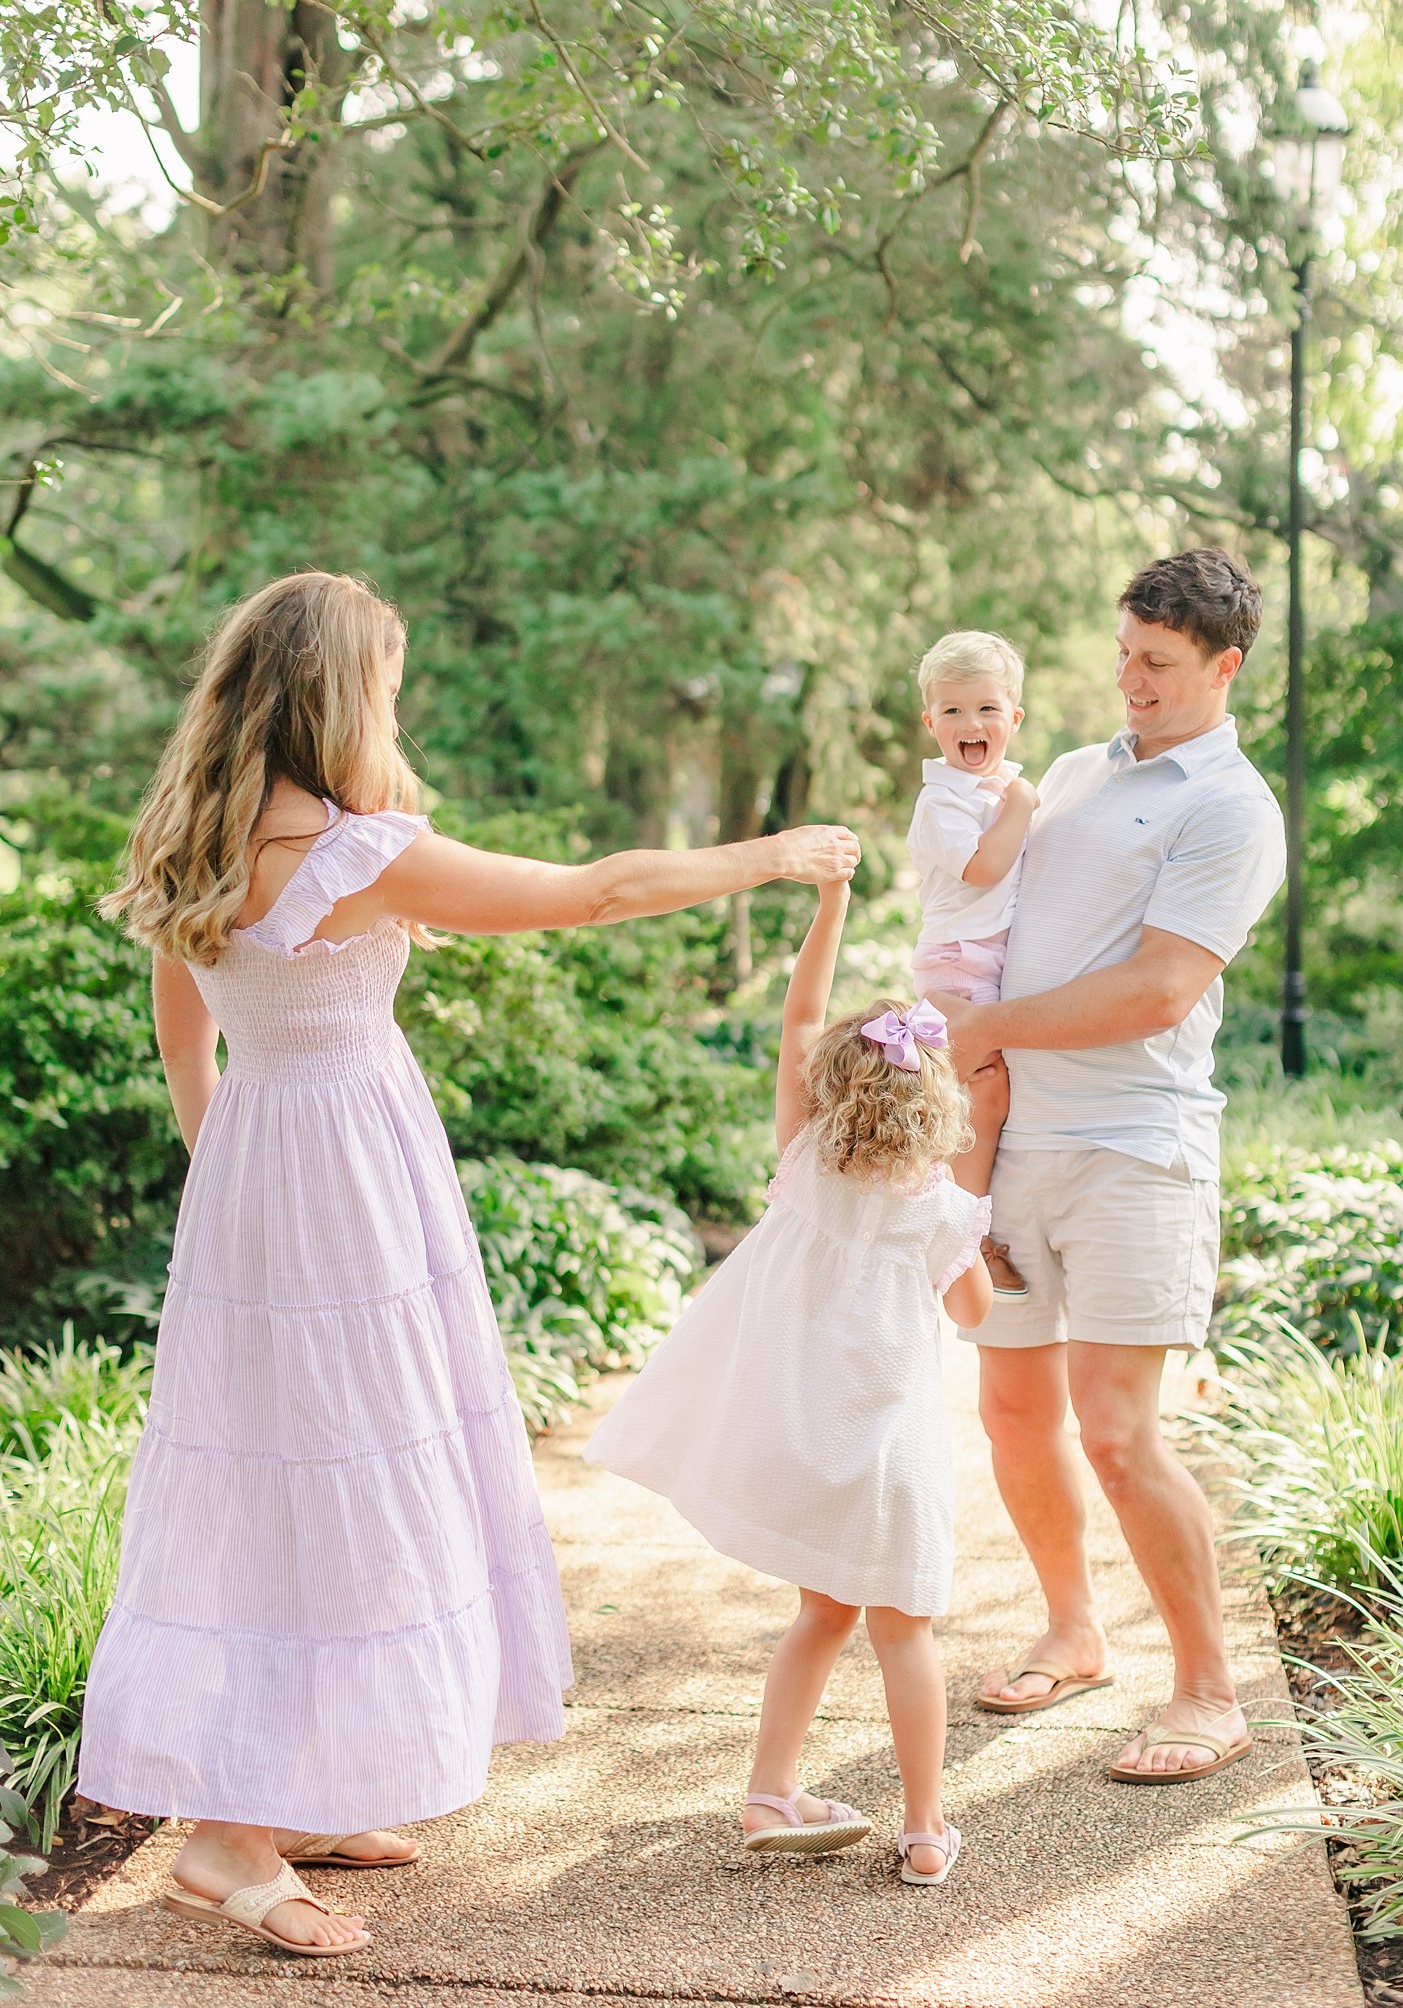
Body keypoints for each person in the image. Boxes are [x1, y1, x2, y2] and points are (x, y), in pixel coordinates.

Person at [76, 570, 860, 1959]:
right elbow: (597, 890)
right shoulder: (344, 852)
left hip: (266, 1168)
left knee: (289, 1466)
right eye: (384, 681)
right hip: (344, 1181)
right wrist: (773, 854)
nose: (395, 704)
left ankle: (289, 1785)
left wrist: (237, 1183)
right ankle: (228, 1840)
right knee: (342, 1462)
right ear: (337, 694)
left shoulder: (202, 835)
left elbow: (184, 1037)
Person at [941, 548, 1286, 1784]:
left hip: (1137, 1152)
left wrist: (985, 1030)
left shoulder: (1232, 809)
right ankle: (1073, 1630)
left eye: (1159, 664)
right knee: (1013, 1407)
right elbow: (981, 914)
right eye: (1124, 655)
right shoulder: (1081, 772)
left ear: (1223, 666)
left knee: (1121, 1432)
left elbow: (1156, 990)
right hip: (1018, 1148)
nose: (1130, 680)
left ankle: (1206, 1691)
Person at [585, 881, 994, 1885]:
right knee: (908, 1634)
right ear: (930, 1100)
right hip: (892, 1456)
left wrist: (831, 904)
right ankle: (926, 1828)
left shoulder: (804, 1157)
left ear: (831, 1089)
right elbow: (975, 1313)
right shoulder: (938, 1208)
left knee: (823, 1614)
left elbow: (798, 1017)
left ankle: (771, 1789)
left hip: (808, 1442)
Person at [907, 629, 1038, 1300]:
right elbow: (986, 869)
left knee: (979, 1097)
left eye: (987, 708)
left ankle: (957, 1228)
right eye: (953, 711)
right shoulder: (943, 803)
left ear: (1014, 718)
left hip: (986, 963)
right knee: (977, 1094)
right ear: (930, 722)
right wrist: (1021, 806)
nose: (971, 724)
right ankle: (960, 1237)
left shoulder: (1000, 789)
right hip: (957, 966)